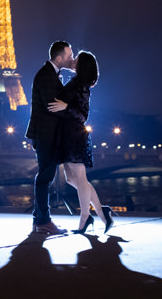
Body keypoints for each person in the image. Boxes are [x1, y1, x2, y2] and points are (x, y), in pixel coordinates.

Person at [48, 50, 114, 234]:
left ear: (82, 64)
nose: (73, 60)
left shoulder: (82, 86)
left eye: (76, 59)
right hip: (67, 136)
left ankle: (85, 218)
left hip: (75, 137)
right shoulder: (75, 82)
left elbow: (83, 115)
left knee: (80, 179)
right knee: (71, 179)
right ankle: (102, 211)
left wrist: (65, 107)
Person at [25, 40, 75, 235]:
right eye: (69, 56)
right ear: (59, 57)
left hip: (46, 133)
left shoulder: (50, 74)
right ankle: (43, 221)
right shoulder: (47, 76)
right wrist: (70, 108)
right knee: (46, 176)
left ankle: (40, 220)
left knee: (45, 175)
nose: (71, 59)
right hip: (46, 133)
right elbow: (52, 106)